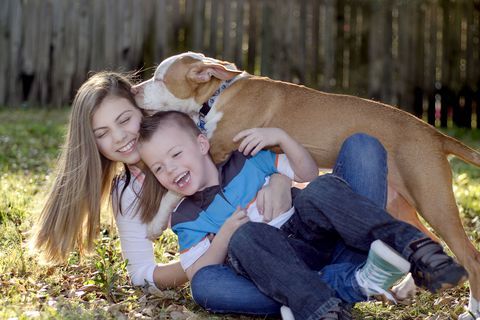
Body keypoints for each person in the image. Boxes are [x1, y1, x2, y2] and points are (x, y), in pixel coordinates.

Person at [137, 110, 467, 320]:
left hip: (319, 236)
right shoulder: (186, 216)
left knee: (328, 182)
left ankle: (413, 248)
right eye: (159, 168)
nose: (171, 169)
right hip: (274, 264)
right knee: (219, 271)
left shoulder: (248, 160)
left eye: (176, 154)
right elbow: (199, 272)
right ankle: (336, 296)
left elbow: (307, 173)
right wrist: (224, 235)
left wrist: (281, 138)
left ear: (201, 144)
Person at [30, 71, 296, 315]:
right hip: (245, 259)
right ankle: (313, 291)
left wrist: (280, 180)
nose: (121, 136)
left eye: (125, 119)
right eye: (102, 133)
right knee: (206, 287)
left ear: (142, 108)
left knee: (327, 187)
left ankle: (312, 288)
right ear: (92, 144)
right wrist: (205, 257)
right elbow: (140, 273)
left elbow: (274, 161)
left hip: (293, 230)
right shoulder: (128, 193)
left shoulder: (192, 132)